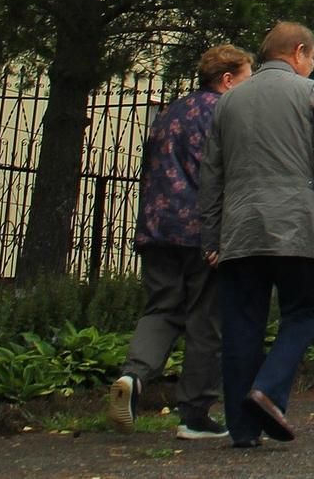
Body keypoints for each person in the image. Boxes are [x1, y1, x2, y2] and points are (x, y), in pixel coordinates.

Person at [200, 21, 314, 449]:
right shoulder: (313, 94)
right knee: (304, 310)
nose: (311, 66)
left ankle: (243, 430)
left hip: (239, 229)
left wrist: (211, 237)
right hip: (295, 228)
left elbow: (212, 174)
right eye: (311, 58)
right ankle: (268, 388)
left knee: (241, 323)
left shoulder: (228, 102)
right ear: (299, 52)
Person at [108, 44, 252, 440]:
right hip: (201, 231)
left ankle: (134, 376)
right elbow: (227, 174)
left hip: (156, 227)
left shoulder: (170, 112)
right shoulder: (227, 114)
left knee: (162, 308)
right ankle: (195, 414)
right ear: (227, 80)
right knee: (206, 320)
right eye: (245, 78)